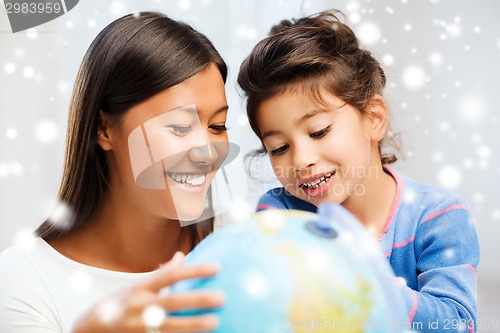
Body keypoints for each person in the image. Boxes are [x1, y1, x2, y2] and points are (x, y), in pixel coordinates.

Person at [238, 11, 480, 333]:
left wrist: (364, 283)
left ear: (374, 118)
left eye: (319, 131)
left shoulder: (439, 217)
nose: (301, 159)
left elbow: (457, 324)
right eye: (279, 148)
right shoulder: (281, 213)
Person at [0, 11, 231, 333]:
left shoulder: (244, 245)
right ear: (104, 129)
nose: (208, 153)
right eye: (180, 127)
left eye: (218, 126)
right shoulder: (24, 280)